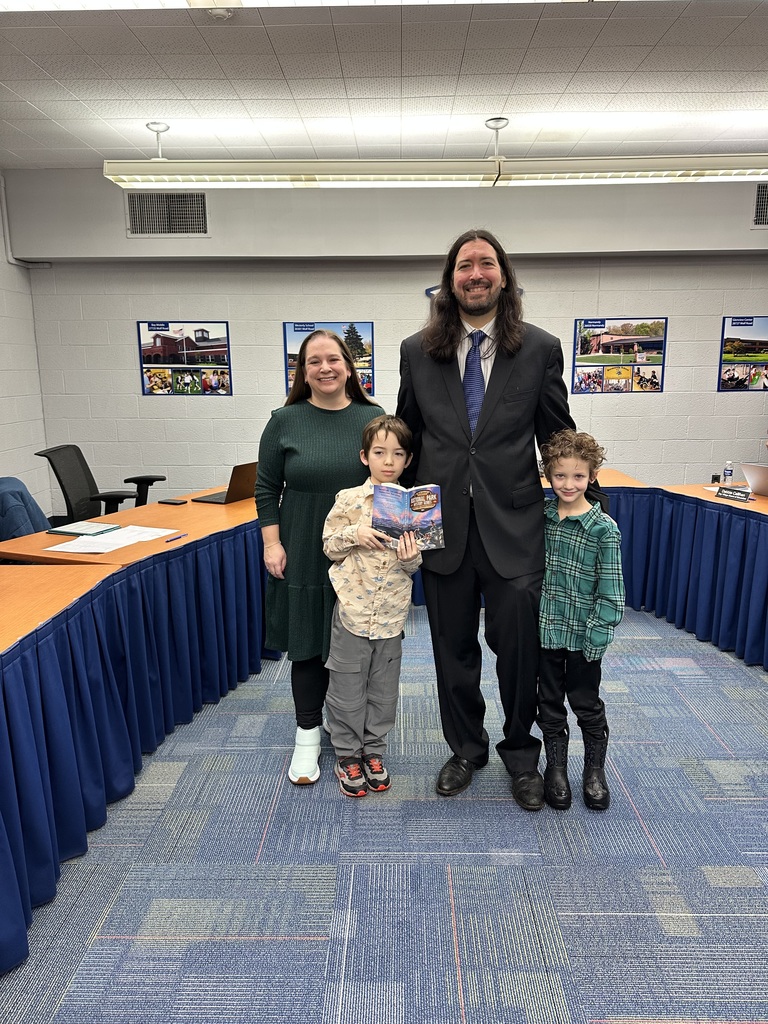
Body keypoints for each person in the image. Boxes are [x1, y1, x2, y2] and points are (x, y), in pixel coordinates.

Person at [396, 227, 599, 810]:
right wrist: (395, 515)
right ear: (449, 279)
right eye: (465, 266)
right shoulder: (418, 351)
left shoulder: (538, 348)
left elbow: (558, 436)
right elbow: (408, 435)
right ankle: (465, 748)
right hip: (444, 532)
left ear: (504, 277)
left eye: (487, 264)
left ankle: (520, 753)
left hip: (515, 531)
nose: (476, 274)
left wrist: (588, 509)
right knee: (450, 652)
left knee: (518, 655)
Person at [256, 330, 383, 785]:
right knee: (309, 644)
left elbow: (389, 481)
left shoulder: (373, 418)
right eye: (314, 361)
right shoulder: (284, 420)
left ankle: (348, 729)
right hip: (303, 544)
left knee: (354, 648)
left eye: (334, 359)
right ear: (303, 371)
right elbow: (267, 488)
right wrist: (273, 543)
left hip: (360, 552)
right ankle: (307, 736)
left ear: (350, 367)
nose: (325, 368)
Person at [322, 414, 421, 797]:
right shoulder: (348, 500)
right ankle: (347, 754)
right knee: (346, 688)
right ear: (365, 456)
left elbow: (415, 566)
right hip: (352, 611)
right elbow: (329, 547)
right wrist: (355, 532)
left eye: (397, 454)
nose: (389, 461)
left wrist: (412, 557)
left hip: (391, 615)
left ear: (408, 460)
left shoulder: (415, 506)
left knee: (383, 690)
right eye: (380, 452)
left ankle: (374, 750)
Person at [537, 430, 624, 812]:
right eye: (560, 476)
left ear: (592, 476)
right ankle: (555, 769)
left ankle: (593, 771)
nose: (568, 484)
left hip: (584, 636)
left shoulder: (603, 529)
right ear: (548, 475)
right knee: (549, 704)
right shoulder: (541, 519)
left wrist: (597, 636)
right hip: (547, 632)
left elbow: (612, 594)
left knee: (586, 704)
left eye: (577, 476)